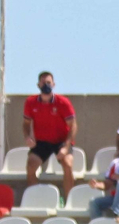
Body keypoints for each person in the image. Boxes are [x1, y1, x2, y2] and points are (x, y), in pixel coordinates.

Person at [23, 71, 77, 199]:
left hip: (61, 141)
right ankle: (34, 199)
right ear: (38, 85)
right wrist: (27, 136)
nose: (46, 85)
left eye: (48, 82)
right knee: (31, 165)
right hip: (42, 142)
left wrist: (66, 146)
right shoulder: (31, 102)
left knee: (68, 164)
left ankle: (69, 200)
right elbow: (25, 123)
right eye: (43, 82)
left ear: (53, 84)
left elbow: (73, 125)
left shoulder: (63, 102)